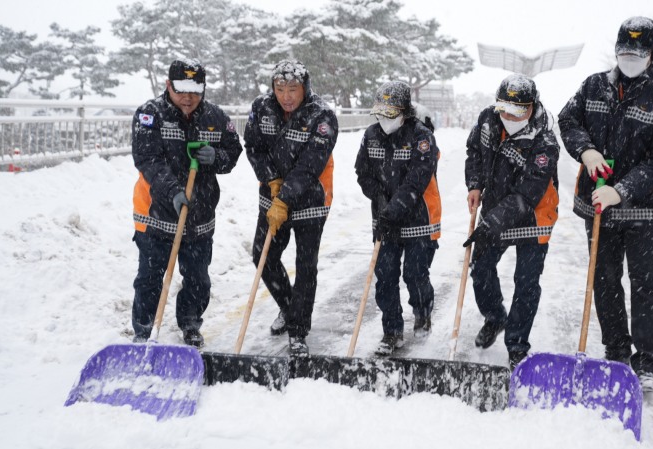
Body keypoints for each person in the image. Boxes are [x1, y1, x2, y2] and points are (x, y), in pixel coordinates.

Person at [558, 17, 653, 392]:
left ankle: (646, 363)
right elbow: (567, 119)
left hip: (643, 210)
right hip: (597, 206)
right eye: (624, 53)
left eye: (638, 54)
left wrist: (622, 190)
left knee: (644, 282)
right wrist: (586, 150)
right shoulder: (594, 86)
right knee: (604, 279)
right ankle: (616, 351)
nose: (629, 59)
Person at [131, 58, 243, 347]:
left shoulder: (216, 117)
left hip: (199, 215)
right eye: (181, 89)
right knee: (150, 278)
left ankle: (191, 322)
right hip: (155, 214)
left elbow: (233, 151)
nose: (188, 97)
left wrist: (216, 157)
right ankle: (144, 331)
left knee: (197, 278)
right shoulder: (150, 114)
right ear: (168, 85)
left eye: (195, 91)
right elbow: (148, 159)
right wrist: (173, 191)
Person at [463, 73, 559, 369]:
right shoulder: (488, 120)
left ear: (532, 106)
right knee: (480, 267)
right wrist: (475, 184)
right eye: (504, 108)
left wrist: (491, 223)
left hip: (534, 215)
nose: (509, 116)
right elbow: (474, 151)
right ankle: (495, 317)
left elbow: (527, 193)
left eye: (518, 111)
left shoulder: (544, 141)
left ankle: (517, 343)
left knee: (526, 282)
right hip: (495, 207)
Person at [244, 59, 338, 356]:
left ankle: (298, 330)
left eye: (293, 89)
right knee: (263, 255)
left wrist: (285, 197)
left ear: (305, 87)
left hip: (311, 198)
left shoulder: (322, 115)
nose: (286, 96)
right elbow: (254, 147)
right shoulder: (262, 108)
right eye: (280, 88)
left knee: (306, 265)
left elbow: (311, 164)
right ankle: (288, 306)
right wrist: (271, 178)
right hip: (271, 198)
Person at [355, 80, 442, 356]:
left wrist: (395, 208)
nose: (384, 119)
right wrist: (379, 198)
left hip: (418, 219)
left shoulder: (421, 137)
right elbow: (362, 172)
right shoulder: (371, 136)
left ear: (404, 111)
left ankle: (422, 311)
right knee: (385, 277)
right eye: (380, 113)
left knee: (415, 275)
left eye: (390, 114)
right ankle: (392, 331)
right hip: (384, 221)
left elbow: (417, 180)